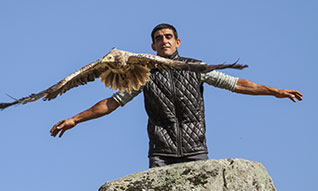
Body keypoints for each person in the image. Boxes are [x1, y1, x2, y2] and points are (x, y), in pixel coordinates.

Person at [50, 24, 303, 168]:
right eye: (158, 39)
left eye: (168, 37)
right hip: (161, 152)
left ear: (178, 42)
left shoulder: (195, 67)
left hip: (195, 151)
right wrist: (76, 119)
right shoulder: (143, 73)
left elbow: (236, 84)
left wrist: (274, 91)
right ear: (153, 46)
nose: (164, 41)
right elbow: (111, 103)